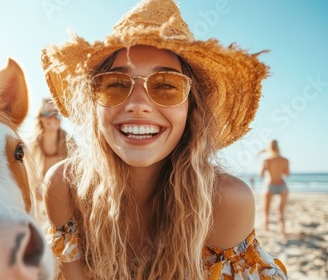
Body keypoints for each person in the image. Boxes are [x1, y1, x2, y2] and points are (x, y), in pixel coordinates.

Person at [40, 0, 288, 279]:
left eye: (166, 86)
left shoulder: (225, 202)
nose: (138, 104)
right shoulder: (64, 186)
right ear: (93, 104)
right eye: (116, 85)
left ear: (192, 109)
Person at [29, 98, 74, 223]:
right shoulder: (31, 146)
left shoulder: (70, 143)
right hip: (38, 209)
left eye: (57, 113)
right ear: (40, 118)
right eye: (48, 114)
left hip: (65, 208)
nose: (53, 118)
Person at [260, 140, 290, 236]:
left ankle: (266, 228)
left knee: (266, 210)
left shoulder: (267, 160)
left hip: (270, 185)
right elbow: (287, 174)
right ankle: (282, 231)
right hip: (282, 185)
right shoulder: (285, 160)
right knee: (281, 211)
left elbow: (261, 175)